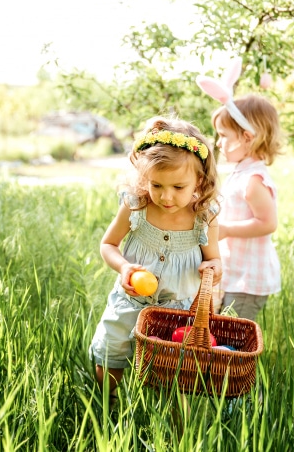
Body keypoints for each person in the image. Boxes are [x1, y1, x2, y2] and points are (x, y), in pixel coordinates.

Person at [89, 115, 223, 399]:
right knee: (110, 353)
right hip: (131, 300)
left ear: (199, 180)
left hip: (179, 310)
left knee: (175, 372)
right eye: (157, 185)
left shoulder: (204, 218)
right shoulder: (136, 206)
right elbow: (108, 244)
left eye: (178, 188)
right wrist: (124, 267)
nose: (166, 197)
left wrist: (213, 268)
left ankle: (175, 427)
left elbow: (215, 260)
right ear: (144, 178)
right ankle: (106, 407)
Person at [196, 58, 281, 321]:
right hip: (236, 274)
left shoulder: (253, 179)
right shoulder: (240, 172)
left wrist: (227, 230)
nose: (219, 143)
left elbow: (267, 223)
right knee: (222, 329)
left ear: (247, 137)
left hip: (248, 280)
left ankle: (234, 365)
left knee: (234, 339)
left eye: (224, 136)